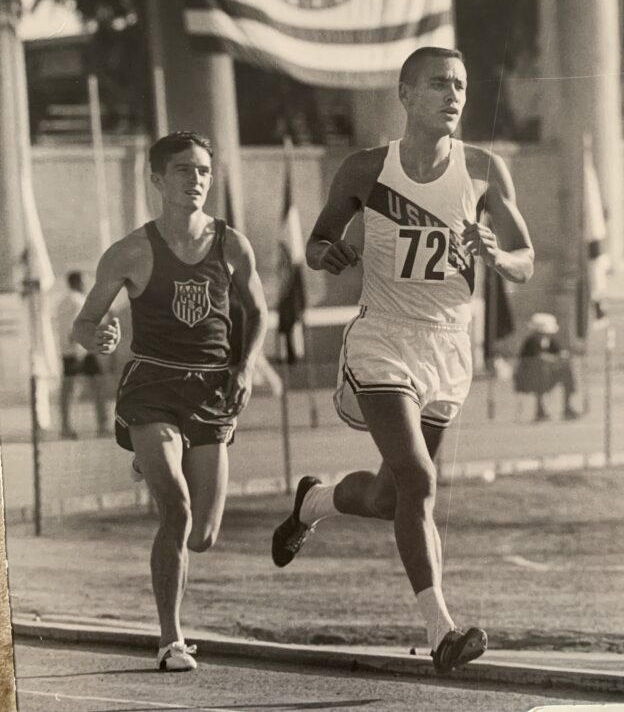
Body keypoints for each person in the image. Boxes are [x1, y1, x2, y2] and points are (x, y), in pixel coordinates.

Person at [271, 47, 534, 674]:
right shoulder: (366, 169)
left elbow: (527, 261)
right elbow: (316, 241)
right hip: (383, 342)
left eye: (462, 86)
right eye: (440, 84)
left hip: (449, 347)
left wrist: (498, 257)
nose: (453, 96)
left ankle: (316, 500)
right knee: (420, 481)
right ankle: (442, 630)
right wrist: (326, 255)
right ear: (406, 95)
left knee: (394, 497)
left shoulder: (484, 170)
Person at [73, 130, 268, 673]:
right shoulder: (131, 251)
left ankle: (156, 457)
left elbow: (259, 312)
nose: (196, 180)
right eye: (183, 170)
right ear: (157, 180)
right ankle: (170, 640)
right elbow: (84, 321)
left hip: (211, 390)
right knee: (175, 511)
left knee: (202, 536)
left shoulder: (233, 244)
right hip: (153, 387)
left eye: (203, 170)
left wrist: (246, 364)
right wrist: (99, 336)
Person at [56, 270, 110, 439]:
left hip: (69, 350)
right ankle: (102, 426)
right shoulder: (79, 301)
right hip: (81, 350)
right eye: (84, 281)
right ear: (78, 282)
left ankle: (66, 427)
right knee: (96, 386)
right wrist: (79, 349)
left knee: (69, 389)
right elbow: (75, 328)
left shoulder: (62, 302)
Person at [515, 313, 580, 422]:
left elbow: (558, 353)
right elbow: (537, 358)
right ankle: (540, 410)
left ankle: (567, 407)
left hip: (547, 375)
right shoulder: (530, 342)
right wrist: (553, 359)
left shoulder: (549, 341)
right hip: (529, 378)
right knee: (540, 370)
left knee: (566, 371)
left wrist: (562, 356)